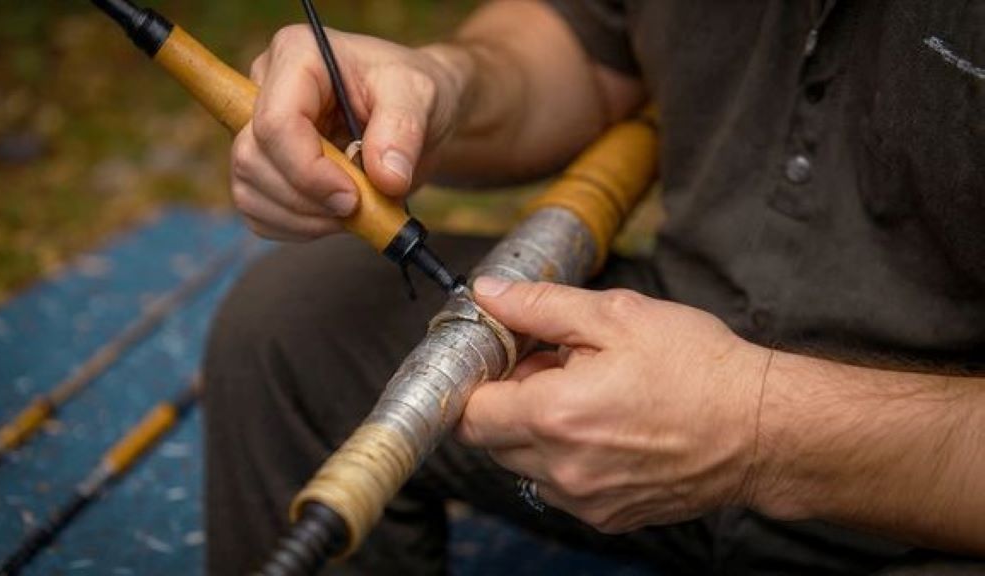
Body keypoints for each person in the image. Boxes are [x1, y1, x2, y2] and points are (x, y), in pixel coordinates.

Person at [203, 1, 985, 574]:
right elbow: (586, 42)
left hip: (937, 501)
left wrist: (757, 428)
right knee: (292, 321)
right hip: (684, 328)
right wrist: (445, 81)